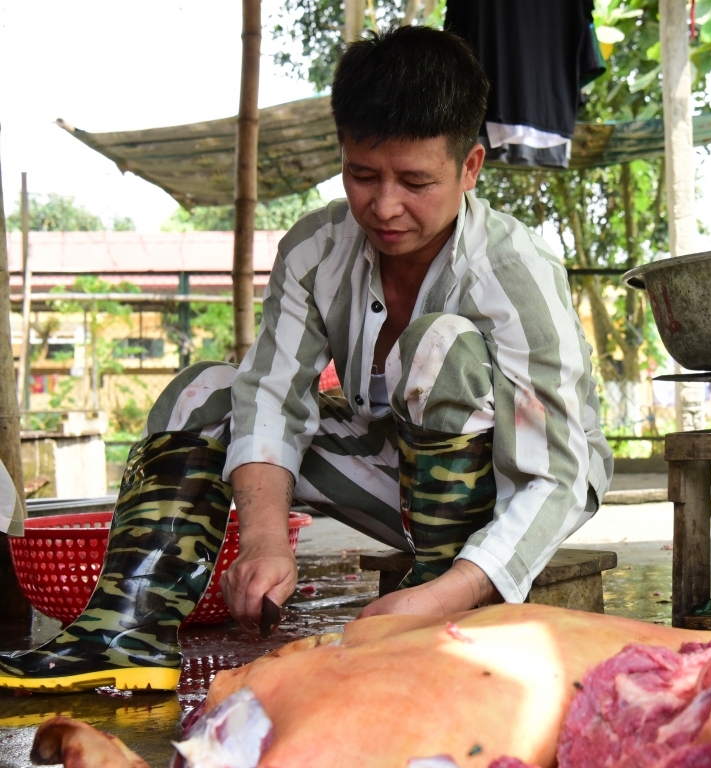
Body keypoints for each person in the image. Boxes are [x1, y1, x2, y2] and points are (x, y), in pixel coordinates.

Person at [0, 25, 611, 693]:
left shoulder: (515, 269)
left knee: (440, 346)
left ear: (470, 167)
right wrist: (264, 542)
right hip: (389, 475)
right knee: (204, 391)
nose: (384, 206)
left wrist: (439, 598)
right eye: (361, 174)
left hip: (504, 502)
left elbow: (561, 476)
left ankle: (439, 596)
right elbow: (269, 396)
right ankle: (126, 633)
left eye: (415, 181)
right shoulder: (316, 249)